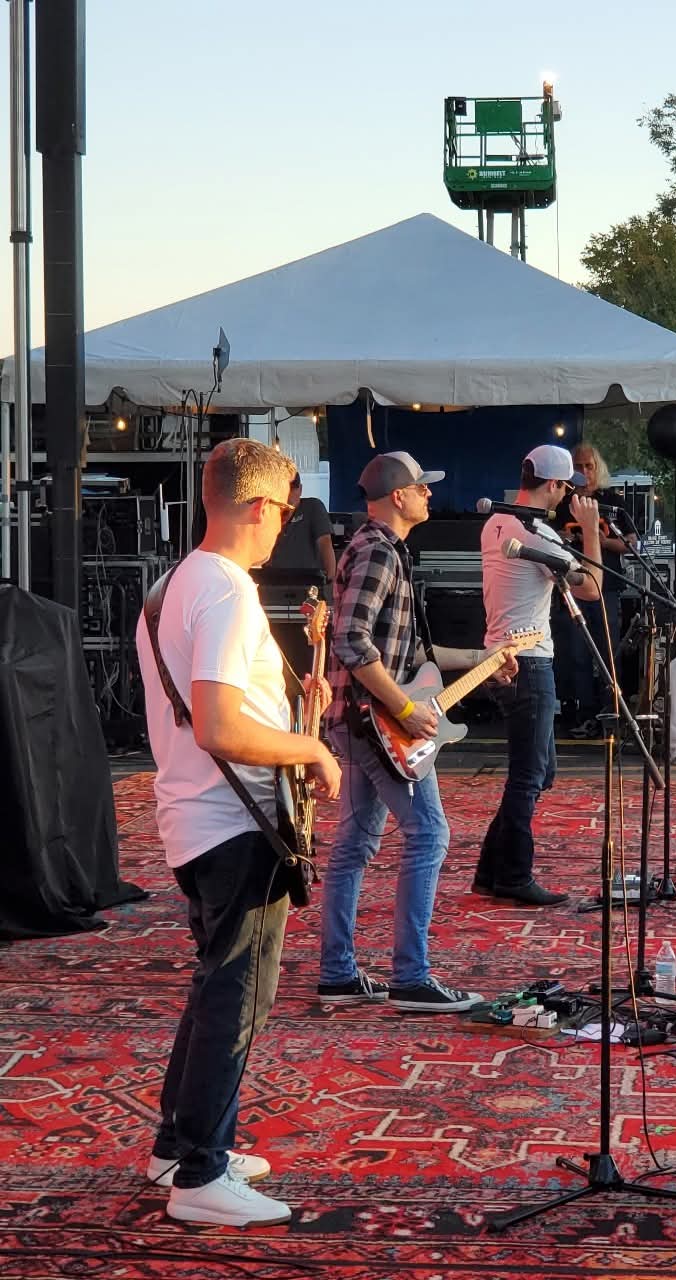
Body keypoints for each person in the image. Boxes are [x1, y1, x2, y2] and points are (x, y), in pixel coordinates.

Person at [135, 438, 342, 1228]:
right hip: (237, 826)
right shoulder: (224, 590)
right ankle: (201, 1174)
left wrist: (295, 710)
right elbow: (221, 726)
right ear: (258, 506)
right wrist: (313, 746)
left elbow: (208, 715)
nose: (284, 527)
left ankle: (177, 1147)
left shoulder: (171, 586)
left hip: (194, 818)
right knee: (237, 999)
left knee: (214, 987)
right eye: (285, 512)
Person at [319, 450, 517, 1012]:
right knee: (429, 834)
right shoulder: (378, 553)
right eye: (422, 488)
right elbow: (352, 643)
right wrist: (405, 709)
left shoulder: (382, 551)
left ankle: (338, 970)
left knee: (354, 847)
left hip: (361, 720)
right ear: (397, 496)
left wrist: (485, 657)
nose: (430, 495)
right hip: (373, 723)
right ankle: (411, 975)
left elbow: (412, 657)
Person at [473, 444, 602, 906]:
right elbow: (591, 588)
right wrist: (589, 531)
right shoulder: (537, 536)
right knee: (529, 775)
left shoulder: (497, 524)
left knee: (539, 771)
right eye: (566, 487)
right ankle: (513, 874)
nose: (568, 494)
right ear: (551, 485)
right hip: (528, 660)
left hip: (500, 655)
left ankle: (491, 869)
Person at [554, 443, 634, 738]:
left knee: (608, 653)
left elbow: (630, 544)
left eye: (589, 466)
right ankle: (584, 714)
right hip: (570, 589)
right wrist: (561, 537)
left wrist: (600, 540)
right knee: (575, 654)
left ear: (597, 469)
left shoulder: (611, 502)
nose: (584, 472)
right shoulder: (562, 504)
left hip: (606, 588)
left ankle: (612, 713)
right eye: (578, 467)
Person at [266, 471, 336, 585]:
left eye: (293, 489)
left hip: (308, 583)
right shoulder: (268, 512)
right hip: (273, 583)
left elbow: (325, 543)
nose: (289, 494)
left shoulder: (313, 507)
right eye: (285, 489)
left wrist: (331, 579)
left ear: (301, 489)